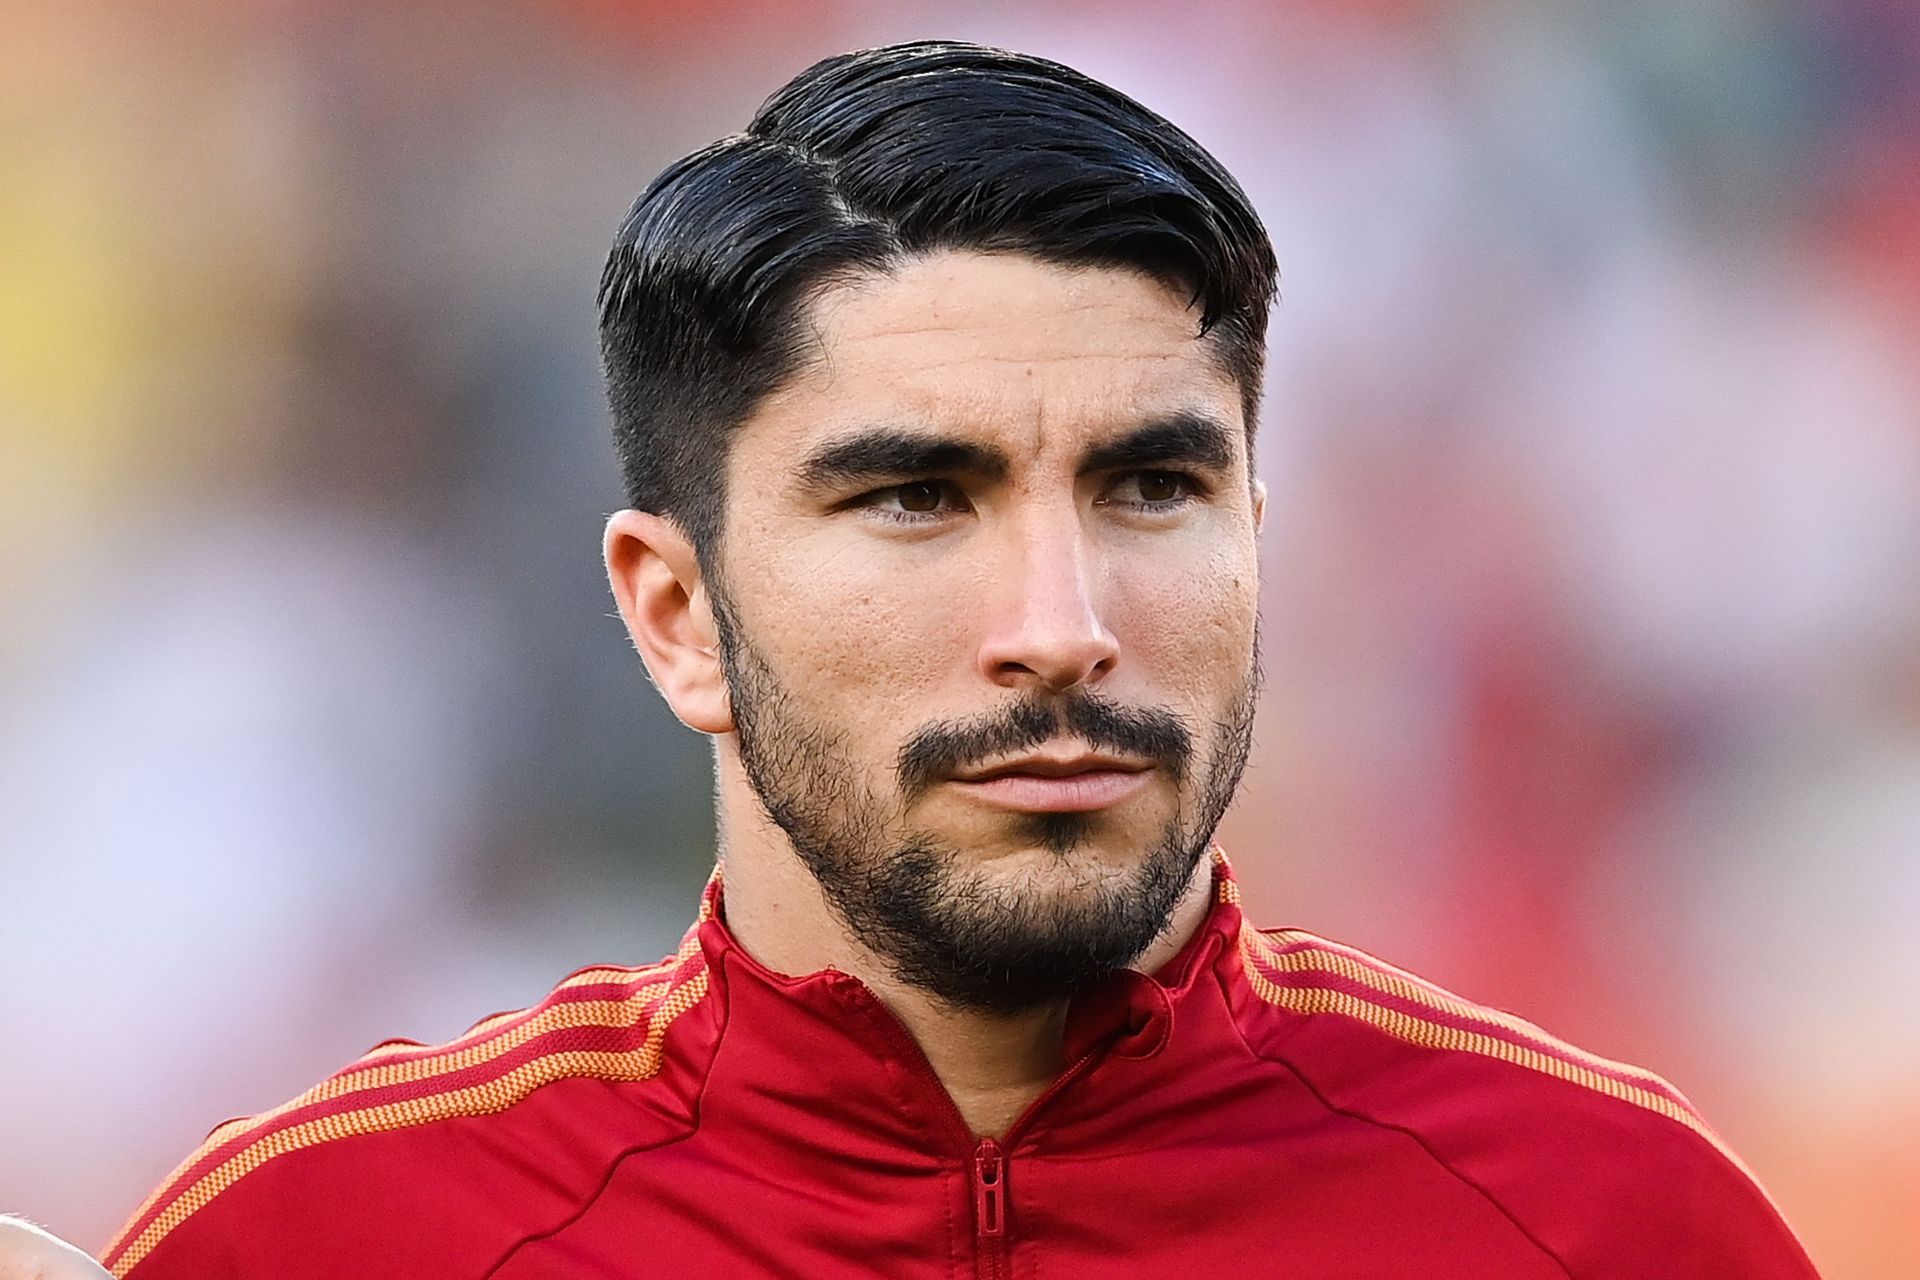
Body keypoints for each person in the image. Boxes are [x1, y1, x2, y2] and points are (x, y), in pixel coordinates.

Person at [6, 40, 1819, 1280]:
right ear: (675, 612)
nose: (1062, 626)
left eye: (1152, 485)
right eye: (916, 497)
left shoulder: (1613, 1225)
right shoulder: (333, 1243)